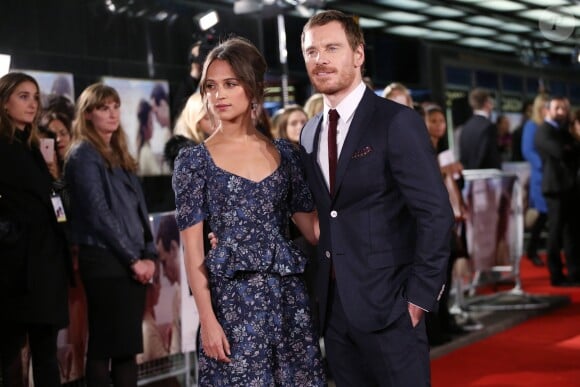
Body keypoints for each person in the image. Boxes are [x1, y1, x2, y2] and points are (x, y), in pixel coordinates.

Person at [299, 10, 453, 386]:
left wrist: (419, 297)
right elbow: (326, 215)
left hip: (392, 311)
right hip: (334, 315)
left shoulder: (396, 122)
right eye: (311, 51)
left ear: (358, 54)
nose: (320, 59)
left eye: (332, 48)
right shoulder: (308, 133)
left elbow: (436, 213)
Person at [172, 36, 326, 386]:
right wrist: (208, 322)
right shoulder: (194, 162)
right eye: (211, 86)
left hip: (289, 303)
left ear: (254, 88)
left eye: (230, 84)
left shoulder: (285, 156)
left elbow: (314, 230)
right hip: (232, 308)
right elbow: (193, 252)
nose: (219, 95)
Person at [64, 83, 158, 387]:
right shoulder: (82, 154)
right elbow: (98, 214)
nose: (113, 113)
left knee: (125, 350)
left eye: (116, 106)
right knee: (105, 347)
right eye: (104, 107)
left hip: (130, 262)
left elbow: (139, 210)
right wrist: (134, 259)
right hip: (105, 262)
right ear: (88, 114)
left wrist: (149, 254)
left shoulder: (118, 151)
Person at [0, 72, 72, 387]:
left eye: (35, 97)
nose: (32, 104)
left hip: (46, 265)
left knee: (45, 353)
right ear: (4, 103)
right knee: (10, 354)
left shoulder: (32, 147)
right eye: (23, 96)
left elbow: (50, 200)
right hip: (15, 269)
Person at [534, 96, 580, 287]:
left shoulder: (562, 131)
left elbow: (572, 150)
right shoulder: (544, 131)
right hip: (554, 188)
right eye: (557, 108)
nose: (561, 111)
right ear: (547, 110)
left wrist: (571, 148)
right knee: (555, 232)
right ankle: (556, 274)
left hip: (569, 187)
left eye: (564, 108)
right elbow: (561, 152)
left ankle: (575, 272)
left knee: (571, 232)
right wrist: (569, 149)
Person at [521, 93, 549, 267]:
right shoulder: (532, 126)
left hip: (551, 176)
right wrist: (543, 165)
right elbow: (527, 150)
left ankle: (534, 250)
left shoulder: (549, 125)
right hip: (541, 177)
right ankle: (532, 250)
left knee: (547, 216)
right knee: (542, 215)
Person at [155, 215, 182, 355]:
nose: (164, 274)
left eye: (164, 262)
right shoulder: (178, 294)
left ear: (173, 248)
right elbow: (176, 349)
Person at [459, 88, 501, 170]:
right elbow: (492, 157)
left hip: (469, 176)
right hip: (486, 177)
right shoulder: (489, 126)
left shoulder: (465, 127)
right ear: (487, 103)